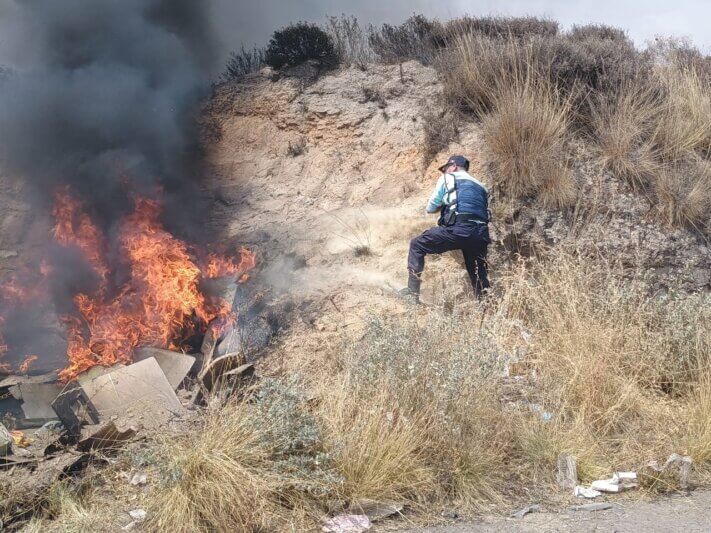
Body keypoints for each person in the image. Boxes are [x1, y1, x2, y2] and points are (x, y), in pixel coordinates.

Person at [400, 155, 490, 303]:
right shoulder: (481, 186)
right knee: (479, 276)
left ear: (453, 166)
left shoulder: (449, 178)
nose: (445, 171)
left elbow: (431, 207)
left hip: (459, 230)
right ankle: (487, 309)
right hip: (481, 235)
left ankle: (412, 293)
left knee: (417, 244)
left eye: (446, 168)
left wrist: (444, 204)